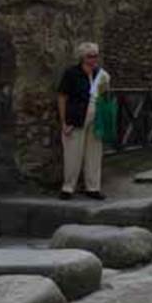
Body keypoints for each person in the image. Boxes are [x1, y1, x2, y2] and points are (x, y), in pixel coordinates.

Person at [57, 42, 111, 200]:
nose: (93, 59)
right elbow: (62, 96)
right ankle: (68, 187)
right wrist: (64, 121)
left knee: (94, 154)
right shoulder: (72, 73)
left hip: (96, 118)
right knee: (72, 154)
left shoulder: (101, 75)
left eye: (95, 56)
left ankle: (93, 187)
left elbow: (105, 97)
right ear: (82, 57)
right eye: (90, 56)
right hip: (75, 117)